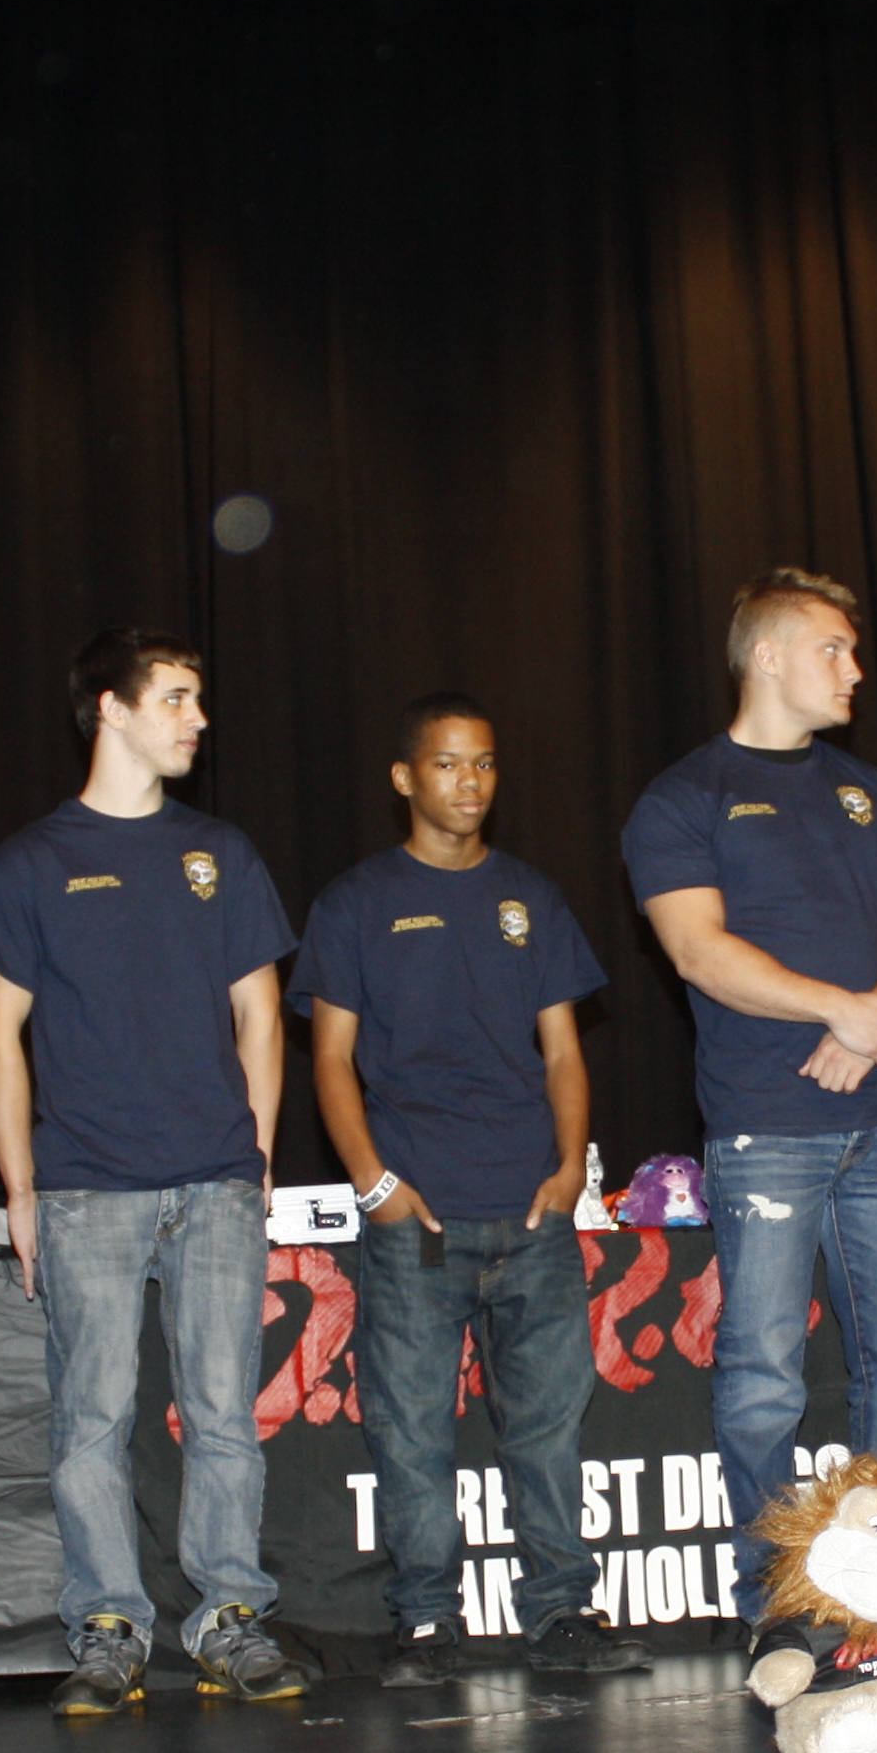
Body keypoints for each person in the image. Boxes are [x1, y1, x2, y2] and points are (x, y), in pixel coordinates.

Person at [0, 629, 303, 1708]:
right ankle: (108, 1624)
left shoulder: (221, 852)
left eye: (198, 698)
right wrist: (20, 1189)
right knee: (92, 1419)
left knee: (221, 1413)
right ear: (108, 711)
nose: (195, 718)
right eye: (173, 698)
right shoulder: (31, 862)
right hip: (86, 1187)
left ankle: (228, 1614)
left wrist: (254, 1158)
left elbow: (261, 1015)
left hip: (212, 1180)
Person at [295, 694, 649, 1680]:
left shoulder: (528, 897)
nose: (471, 784)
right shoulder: (356, 903)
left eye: (486, 764)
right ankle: (424, 1624)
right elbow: (330, 1058)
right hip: (420, 1220)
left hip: (530, 1211)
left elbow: (566, 1052)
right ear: (406, 779)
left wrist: (571, 1164)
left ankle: (561, 1614)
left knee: (548, 1428)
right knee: (411, 1433)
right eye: (449, 765)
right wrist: (375, 1184)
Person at [623, 568, 877, 1605]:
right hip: (768, 1127)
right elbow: (698, 952)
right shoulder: (686, 797)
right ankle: (778, 1595)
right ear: (767, 657)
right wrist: (839, 1008)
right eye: (833, 650)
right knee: (763, 1378)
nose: (855, 670)